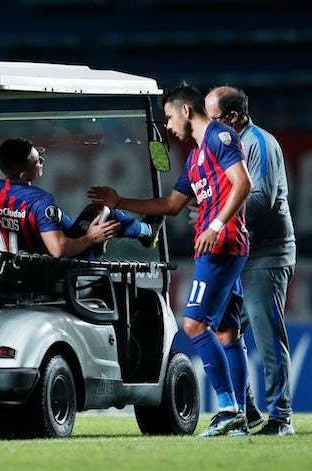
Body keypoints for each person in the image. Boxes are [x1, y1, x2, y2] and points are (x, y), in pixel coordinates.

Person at [88, 84, 252, 437]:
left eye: (167, 116)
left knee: (193, 325)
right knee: (226, 331)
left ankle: (228, 409)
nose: (167, 126)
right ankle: (244, 413)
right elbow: (171, 206)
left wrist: (216, 224)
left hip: (221, 244)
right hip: (217, 244)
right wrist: (119, 201)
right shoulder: (194, 159)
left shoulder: (220, 137)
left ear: (185, 111)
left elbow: (243, 183)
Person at [205, 86, 296, 436]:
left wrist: (217, 215)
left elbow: (260, 201)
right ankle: (248, 409)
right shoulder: (229, 145)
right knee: (226, 328)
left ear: (231, 117)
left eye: (213, 120)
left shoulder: (259, 143)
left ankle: (281, 418)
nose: (209, 129)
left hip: (267, 254)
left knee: (267, 335)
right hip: (240, 251)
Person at [0, 137, 163, 259]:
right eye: (37, 161)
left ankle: (145, 232)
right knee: (102, 210)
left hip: (13, 268)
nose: (42, 160)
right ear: (23, 175)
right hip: (52, 271)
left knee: (85, 213)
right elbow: (59, 250)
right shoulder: (40, 200)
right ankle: (148, 231)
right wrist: (90, 239)